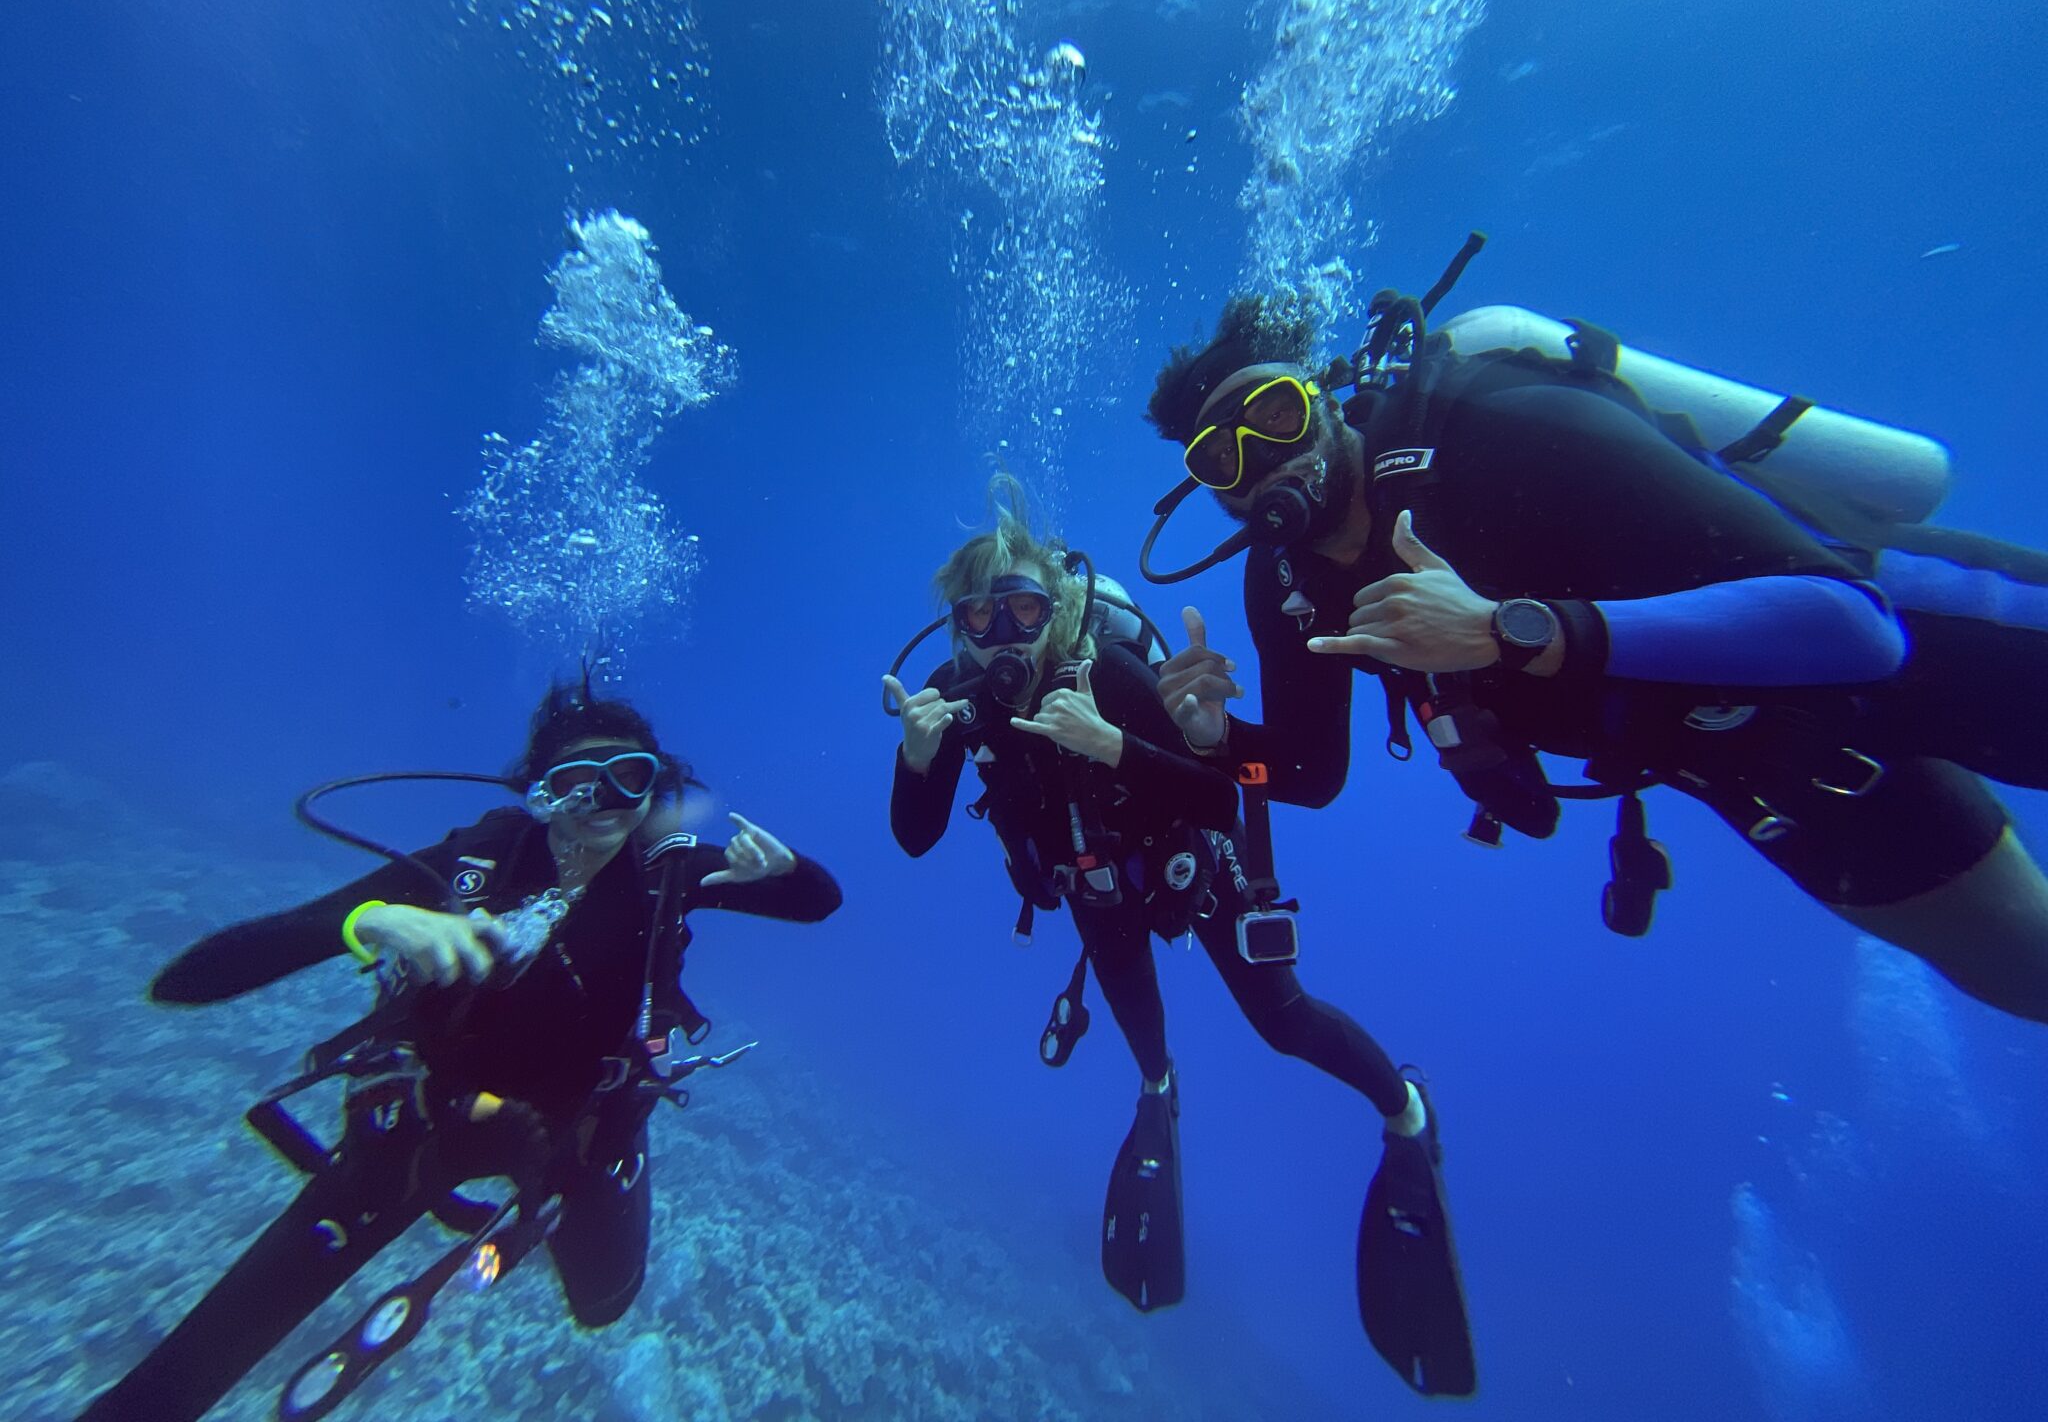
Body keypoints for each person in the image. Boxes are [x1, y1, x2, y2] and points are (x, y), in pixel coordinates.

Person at [1141, 282, 2048, 1023]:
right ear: (1212, 493)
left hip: (1944, 636)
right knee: (2029, 975)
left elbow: (1855, 626)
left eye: (1276, 415)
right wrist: (1220, 740)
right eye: (1222, 458)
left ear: (1323, 399)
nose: (1262, 461)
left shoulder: (1507, 429)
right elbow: (1305, 771)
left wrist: (1511, 630)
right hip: (1777, 770)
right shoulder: (1287, 584)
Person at [79, 675, 842, 1422]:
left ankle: (549, 1211)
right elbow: (192, 978)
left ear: (654, 789)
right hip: (426, 1123)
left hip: (584, 1129)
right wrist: (369, 921)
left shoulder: (670, 869)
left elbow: (817, 902)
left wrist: (787, 872)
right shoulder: (475, 861)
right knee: (171, 1386)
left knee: (605, 1304)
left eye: (630, 777)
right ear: (541, 790)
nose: (603, 804)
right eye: (578, 780)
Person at [881, 479, 1475, 1396]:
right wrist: (919, 758)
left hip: (1186, 858)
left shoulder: (1112, 676)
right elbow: (914, 836)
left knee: (1283, 1021)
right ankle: (1160, 1097)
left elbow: (1216, 797)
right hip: (1093, 889)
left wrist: (1108, 742)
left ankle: (1406, 1111)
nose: (1004, 636)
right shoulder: (957, 700)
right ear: (960, 628)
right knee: (1149, 1057)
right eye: (981, 617)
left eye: (1025, 609)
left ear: (1061, 606)